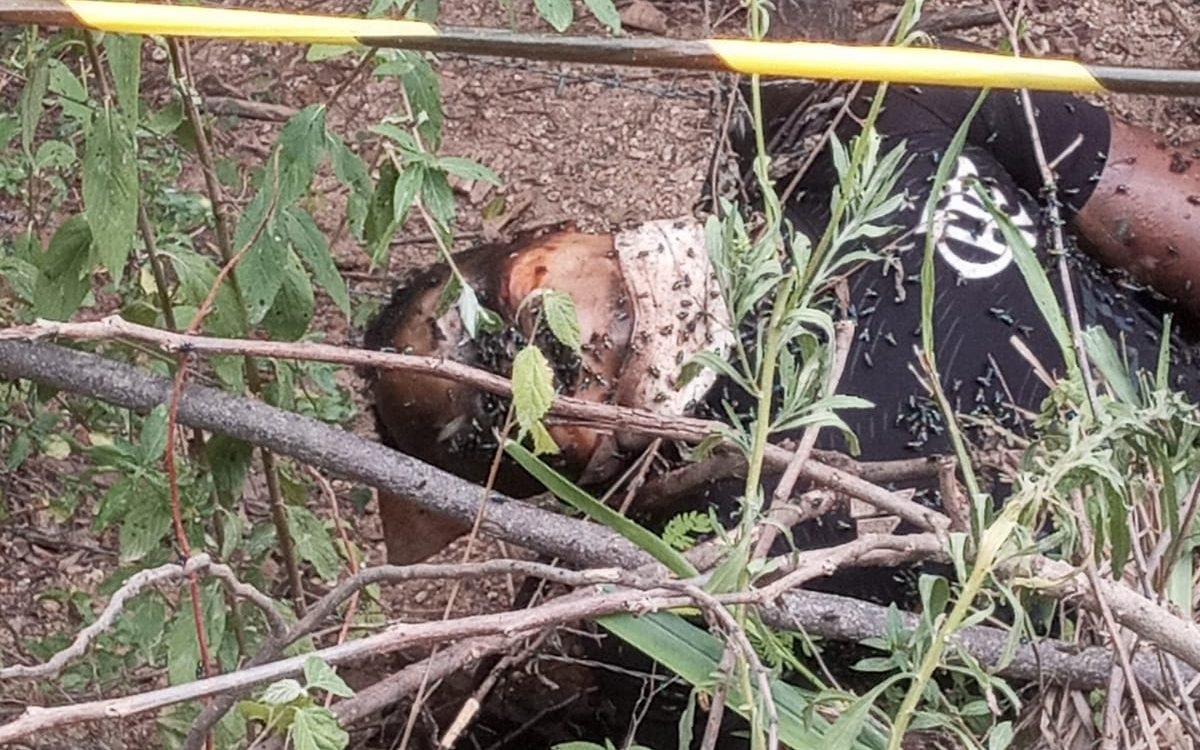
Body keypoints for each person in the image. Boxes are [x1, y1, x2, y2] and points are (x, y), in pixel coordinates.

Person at [364, 76, 1200, 564]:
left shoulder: (877, 117)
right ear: (582, 475)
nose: (561, 332)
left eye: (604, 295)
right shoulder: (711, 587)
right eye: (588, 367)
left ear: (549, 238)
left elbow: (1170, 226)